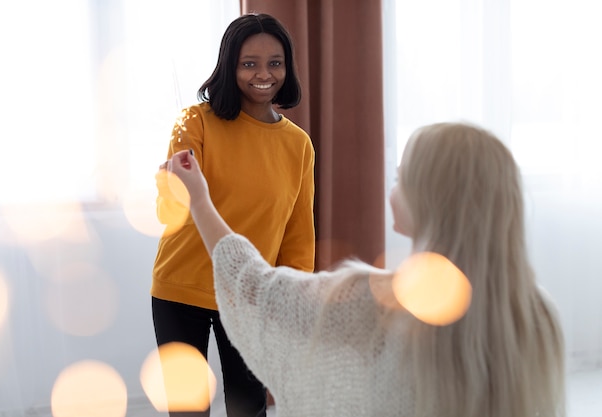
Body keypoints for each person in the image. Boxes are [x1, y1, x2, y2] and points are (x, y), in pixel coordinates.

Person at [161, 122, 566, 417]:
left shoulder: (376, 304)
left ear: (427, 202)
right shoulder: (537, 315)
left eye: (400, 178)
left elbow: (256, 287)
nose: (392, 189)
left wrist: (199, 200)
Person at [151, 13, 315, 417]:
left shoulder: (298, 145)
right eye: (249, 63)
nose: (264, 74)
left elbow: (298, 233)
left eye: (274, 63)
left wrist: (294, 298)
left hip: (250, 296)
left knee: (249, 408)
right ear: (230, 66)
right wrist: (171, 184)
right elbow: (168, 212)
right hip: (180, 289)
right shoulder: (195, 122)